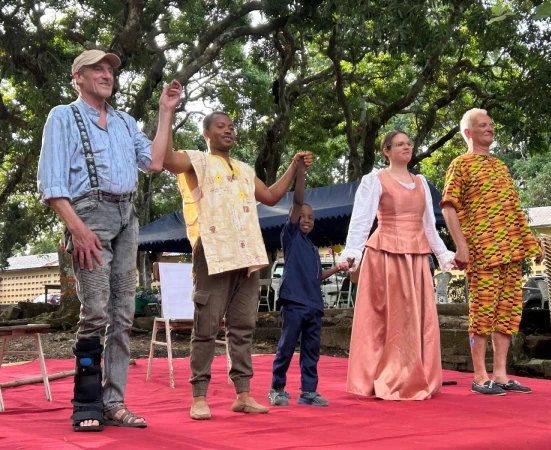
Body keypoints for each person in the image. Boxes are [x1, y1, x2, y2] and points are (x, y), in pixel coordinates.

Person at [37, 49, 182, 431]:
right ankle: (87, 402)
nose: (106, 74)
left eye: (109, 70)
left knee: (123, 315)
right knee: (96, 311)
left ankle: (114, 402)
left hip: (126, 218)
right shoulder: (63, 116)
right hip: (88, 216)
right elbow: (52, 184)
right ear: (78, 77)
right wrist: (77, 229)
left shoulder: (124, 122)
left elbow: (154, 162)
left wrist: (165, 111)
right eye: (96, 69)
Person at [151, 110, 313, 420]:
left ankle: (243, 394)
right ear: (206, 134)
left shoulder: (244, 170)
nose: (228, 130)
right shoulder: (197, 160)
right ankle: (199, 396)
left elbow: (271, 196)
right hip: (213, 252)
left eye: (232, 126)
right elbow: (167, 159)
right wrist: (167, 111)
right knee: (206, 328)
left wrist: (294, 167)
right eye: (220, 126)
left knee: (242, 328)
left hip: (247, 254)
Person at [338, 130, 455, 401]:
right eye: (400, 144)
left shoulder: (421, 182)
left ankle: (414, 374)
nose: (406, 147)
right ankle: (389, 377)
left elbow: (429, 225)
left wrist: (443, 254)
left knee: (416, 317)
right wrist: (353, 251)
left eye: (408, 143)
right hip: (386, 256)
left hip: (416, 257)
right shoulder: (375, 180)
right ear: (386, 151)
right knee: (389, 318)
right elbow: (362, 219)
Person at [440, 108, 544, 396]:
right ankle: (479, 376)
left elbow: (514, 210)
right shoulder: (460, 164)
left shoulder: (500, 167)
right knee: (482, 313)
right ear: (468, 133)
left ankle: (500, 374)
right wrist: (461, 246)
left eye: (491, 124)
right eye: (482, 125)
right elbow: (448, 207)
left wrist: (531, 243)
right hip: (482, 251)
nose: (489, 128)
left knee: (508, 315)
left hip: (512, 253)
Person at [267, 157, 340, 408]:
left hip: (314, 306)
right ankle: (277, 388)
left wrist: (338, 268)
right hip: (294, 302)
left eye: (311, 217)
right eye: (302, 216)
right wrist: (300, 173)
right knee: (287, 346)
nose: (306, 219)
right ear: (294, 218)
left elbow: (316, 277)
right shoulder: (291, 237)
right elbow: (298, 202)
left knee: (311, 350)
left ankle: (308, 391)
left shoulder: (311, 248)